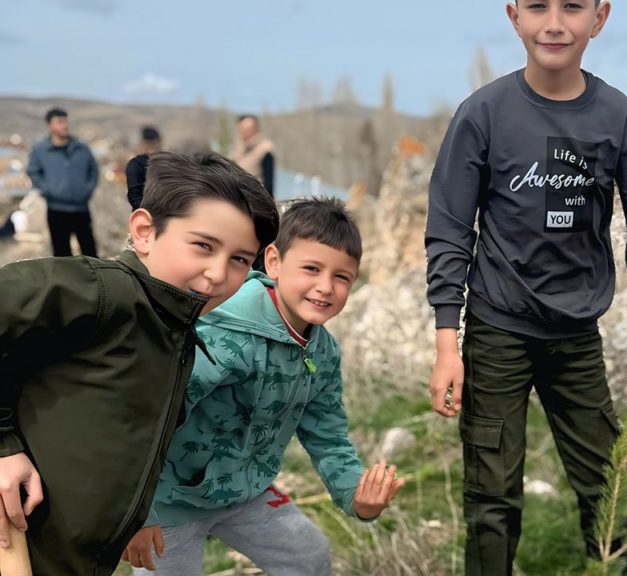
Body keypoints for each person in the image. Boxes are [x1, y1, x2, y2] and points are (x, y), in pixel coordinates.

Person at [424, 1, 627, 573]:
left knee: (607, 487)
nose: (554, 22)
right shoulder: (482, 114)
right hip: (495, 335)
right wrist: (446, 343)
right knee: (490, 500)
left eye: (572, 7)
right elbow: (450, 231)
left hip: (576, 338)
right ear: (514, 16)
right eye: (537, 6)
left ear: (599, 17)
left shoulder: (620, 119)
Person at [0, 151, 279, 576]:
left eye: (240, 259)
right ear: (145, 231)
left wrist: (139, 515)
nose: (217, 273)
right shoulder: (101, 293)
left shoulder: (175, 332)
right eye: (203, 246)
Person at [123, 197, 403, 575]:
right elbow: (148, 416)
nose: (325, 287)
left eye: (342, 277)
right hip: (168, 500)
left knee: (309, 557)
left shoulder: (322, 352)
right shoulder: (223, 336)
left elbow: (328, 436)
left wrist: (356, 495)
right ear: (273, 262)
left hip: (244, 492)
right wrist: (140, 513)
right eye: (311, 268)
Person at [26, 107, 99, 257]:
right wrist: (48, 190)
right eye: (59, 122)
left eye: (65, 121)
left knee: (90, 253)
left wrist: (87, 190)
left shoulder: (82, 148)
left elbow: (94, 169)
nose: (64, 125)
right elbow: (33, 172)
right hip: (56, 210)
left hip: (81, 208)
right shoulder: (41, 150)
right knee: (62, 256)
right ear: (50, 126)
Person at [230, 115, 275, 198]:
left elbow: (268, 184)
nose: (246, 131)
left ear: (256, 128)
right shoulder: (238, 150)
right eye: (243, 128)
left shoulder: (265, 149)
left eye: (249, 128)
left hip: (255, 198)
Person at [126, 126, 163, 211]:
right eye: (149, 144)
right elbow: (134, 196)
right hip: (146, 213)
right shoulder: (135, 165)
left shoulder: (166, 162)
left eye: (154, 144)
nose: (152, 149)